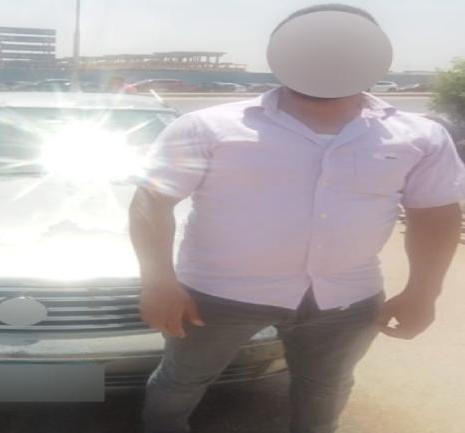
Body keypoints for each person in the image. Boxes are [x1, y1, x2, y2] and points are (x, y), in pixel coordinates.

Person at [129, 4, 464, 433]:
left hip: (345, 299)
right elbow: (152, 201)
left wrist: (423, 292)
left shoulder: (420, 135)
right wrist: (158, 282)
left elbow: (435, 215)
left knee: (325, 388)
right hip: (216, 296)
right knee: (181, 383)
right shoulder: (207, 127)